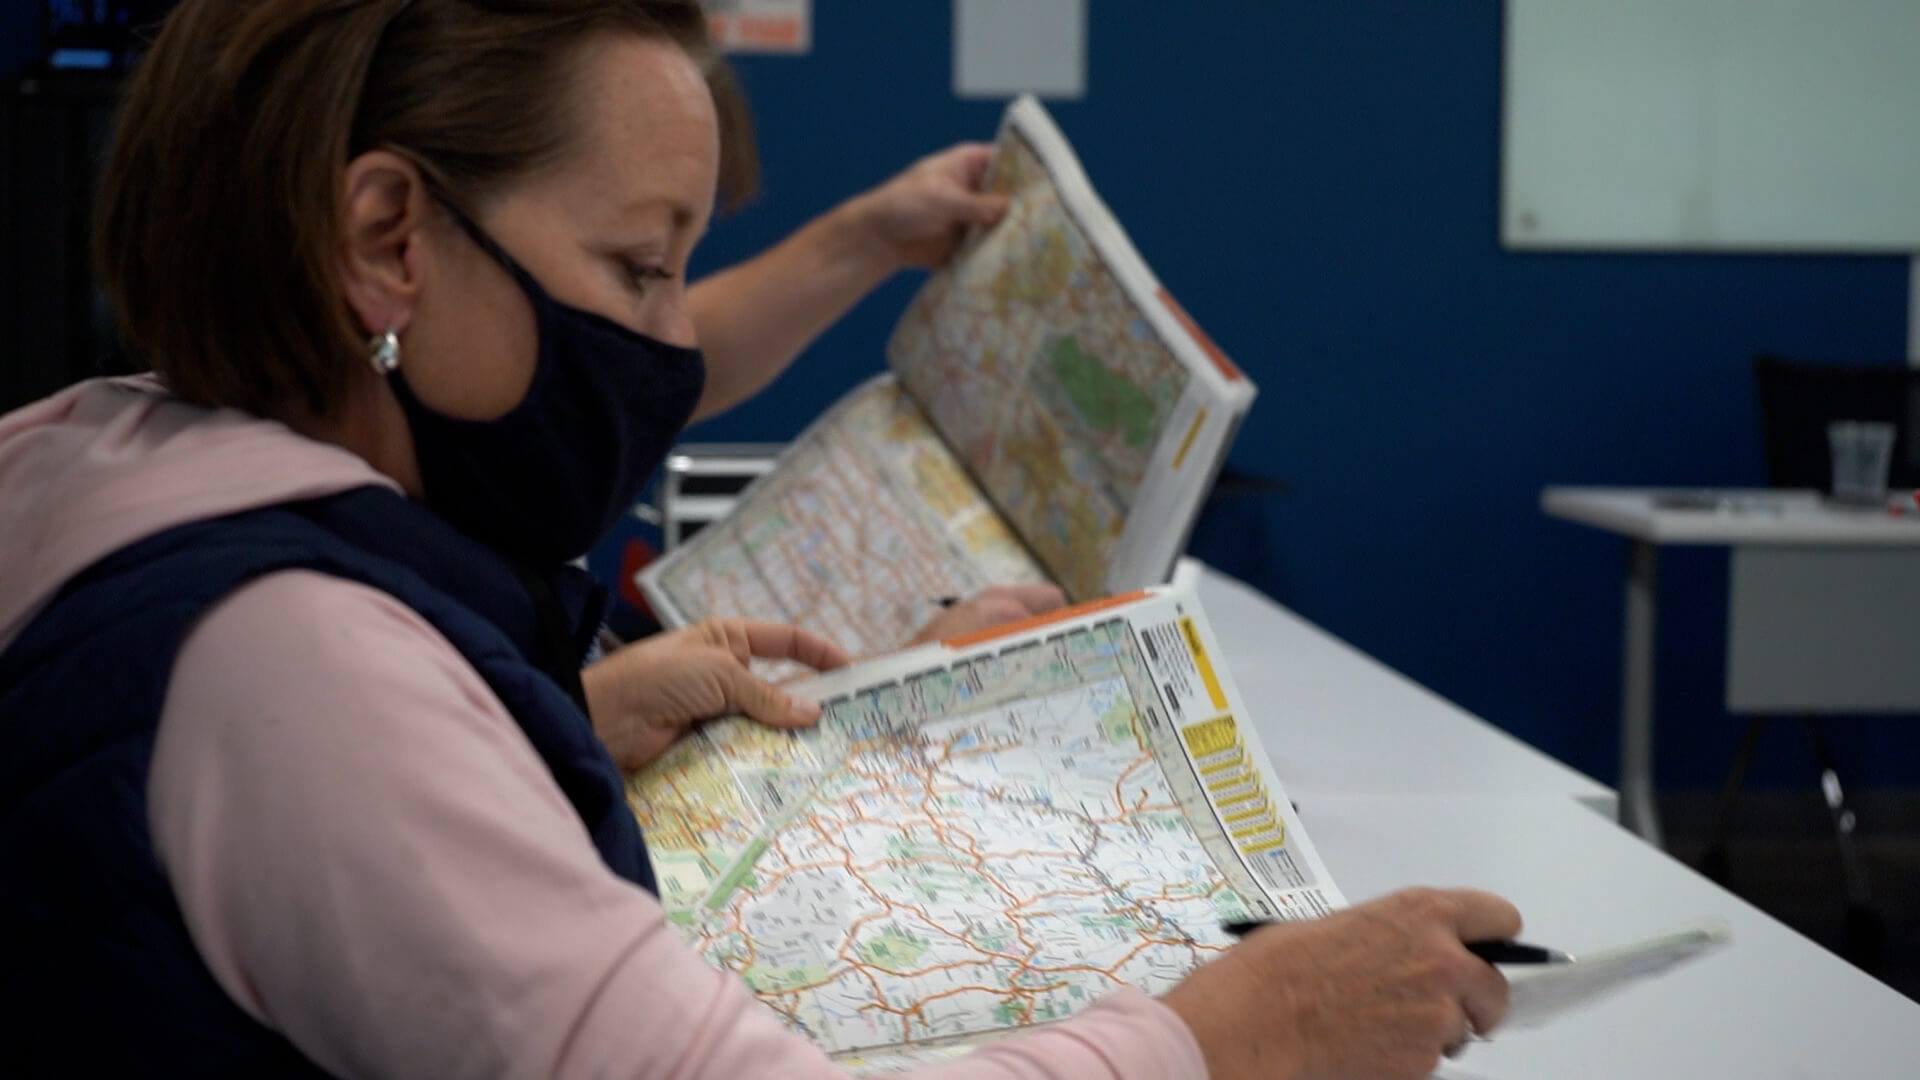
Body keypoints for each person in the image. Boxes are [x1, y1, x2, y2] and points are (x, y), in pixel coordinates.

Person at [0, 1, 1520, 1076]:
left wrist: (540, 727)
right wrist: (1233, 1036)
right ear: (390, 238)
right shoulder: (303, 671)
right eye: (640, 267)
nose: (668, 347)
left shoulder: (110, 449)